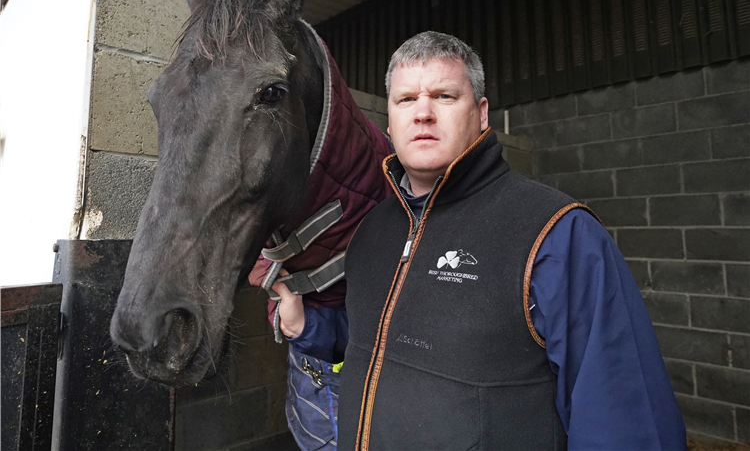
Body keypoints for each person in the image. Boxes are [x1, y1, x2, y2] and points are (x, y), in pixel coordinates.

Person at [274, 31, 686, 450]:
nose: (423, 114)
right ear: (390, 122)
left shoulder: (558, 234)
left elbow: (623, 420)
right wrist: (308, 325)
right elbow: (376, 335)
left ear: (482, 113)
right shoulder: (372, 230)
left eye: (445, 96)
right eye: (406, 100)